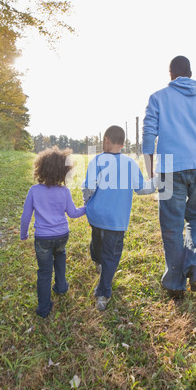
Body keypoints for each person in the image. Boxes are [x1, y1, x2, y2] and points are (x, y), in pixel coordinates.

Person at [142, 55, 196, 299]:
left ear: (171, 74)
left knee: (171, 225)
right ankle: (195, 264)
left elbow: (148, 136)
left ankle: (175, 282)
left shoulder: (158, 98)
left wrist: (151, 172)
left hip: (169, 168)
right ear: (191, 73)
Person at [82, 125, 156, 311]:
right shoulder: (131, 163)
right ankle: (102, 294)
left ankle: (97, 261)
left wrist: (88, 204)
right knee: (112, 255)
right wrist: (157, 180)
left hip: (97, 215)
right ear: (123, 144)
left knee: (97, 239)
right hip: (117, 220)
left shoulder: (97, 160)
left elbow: (88, 189)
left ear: (106, 139)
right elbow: (142, 189)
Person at [20, 146, 86, 318]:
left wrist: (24, 233)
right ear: (64, 172)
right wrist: (87, 208)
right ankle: (61, 287)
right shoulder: (64, 191)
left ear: (40, 168)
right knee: (60, 256)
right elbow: (72, 213)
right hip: (62, 235)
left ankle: (43, 309)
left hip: (43, 238)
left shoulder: (34, 191)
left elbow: (26, 216)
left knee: (44, 271)